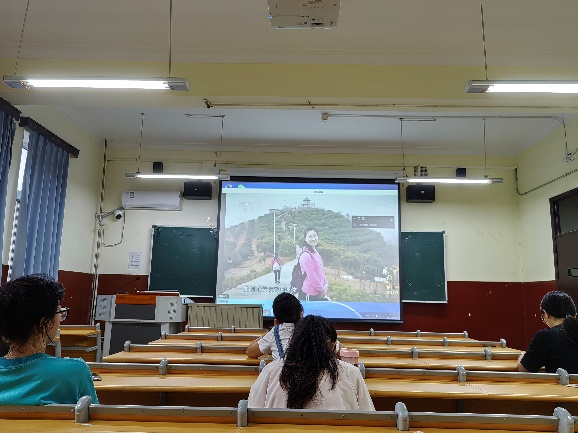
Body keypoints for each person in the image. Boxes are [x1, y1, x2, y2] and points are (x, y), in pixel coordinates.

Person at [0, 274, 99, 405]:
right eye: (59, 312)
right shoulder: (74, 372)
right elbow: (93, 414)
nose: (60, 318)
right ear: (44, 323)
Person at [248, 315, 374, 410]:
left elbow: (252, 413)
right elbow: (369, 418)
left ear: (294, 343)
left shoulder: (270, 371)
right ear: (333, 346)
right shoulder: (351, 372)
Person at [518, 291, 578, 373]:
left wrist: (522, 355)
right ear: (575, 314)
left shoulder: (546, 336)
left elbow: (524, 368)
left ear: (546, 314)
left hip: (562, 381)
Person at [246, 292, 302, 360]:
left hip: (281, 367)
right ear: (300, 313)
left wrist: (273, 329)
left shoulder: (275, 333)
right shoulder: (308, 329)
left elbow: (250, 352)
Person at [298, 227, 329, 301]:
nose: (313, 239)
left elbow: (321, 271)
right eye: (310, 236)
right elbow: (312, 276)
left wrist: (326, 284)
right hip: (309, 294)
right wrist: (322, 290)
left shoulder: (315, 252)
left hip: (318, 292)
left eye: (315, 236)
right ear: (305, 239)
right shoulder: (306, 255)